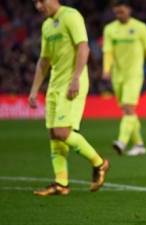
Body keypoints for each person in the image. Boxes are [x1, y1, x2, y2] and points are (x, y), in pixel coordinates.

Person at [29, 0, 109, 196]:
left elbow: (84, 48)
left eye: (41, 1)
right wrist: (34, 90)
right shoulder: (47, 25)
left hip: (72, 83)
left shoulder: (71, 16)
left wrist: (76, 78)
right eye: (35, 3)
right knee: (53, 134)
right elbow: (44, 60)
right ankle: (61, 182)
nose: (38, 6)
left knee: (62, 131)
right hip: (55, 85)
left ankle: (99, 163)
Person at [102, 0, 146, 156]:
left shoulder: (140, 28)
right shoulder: (110, 29)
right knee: (128, 111)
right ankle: (139, 145)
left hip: (134, 74)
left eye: (121, 11)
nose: (119, 15)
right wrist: (106, 69)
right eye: (116, 12)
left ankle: (121, 141)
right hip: (117, 75)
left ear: (129, 9)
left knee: (128, 108)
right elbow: (107, 51)